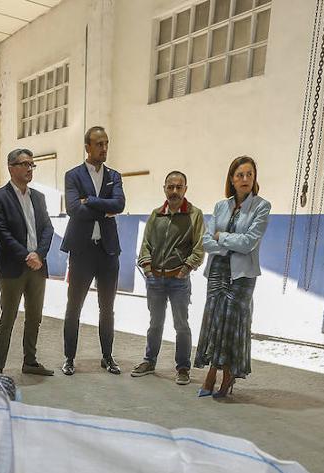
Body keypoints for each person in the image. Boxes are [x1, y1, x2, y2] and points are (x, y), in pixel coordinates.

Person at [195, 156, 271, 399]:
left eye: (249, 174)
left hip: (242, 275)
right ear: (231, 178)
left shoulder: (261, 206)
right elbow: (206, 241)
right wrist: (224, 241)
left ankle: (227, 375)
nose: (245, 179)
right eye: (240, 175)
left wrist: (221, 238)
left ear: (254, 178)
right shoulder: (221, 206)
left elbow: (249, 243)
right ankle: (211, 372)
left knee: (231, 325)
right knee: (215, 321)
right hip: (217, 270)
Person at [61, 126, 126, 376]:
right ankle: (69, 357)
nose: (104, 148)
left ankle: (108, 357)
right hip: (82, 251)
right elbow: (73, 209)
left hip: (108, 251)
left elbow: (119, 204)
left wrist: (91, 201)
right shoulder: (73, 175)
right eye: (99, 144)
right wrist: (104, 208)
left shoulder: (114, 176)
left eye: (106, 143)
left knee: (107, 307)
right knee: (74, 306)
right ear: (87, 147)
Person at [130, 171, 204, 385]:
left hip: (179, 281)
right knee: (155, 323)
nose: (174, 191)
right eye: (170, 187)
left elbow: (199, 247)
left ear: (185, 189)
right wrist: (147, 268)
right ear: (164, 188)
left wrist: (185, 270)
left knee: (181, 325)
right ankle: (149, 361)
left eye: (178, 187)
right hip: (155, 281)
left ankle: (182, 368)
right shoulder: (156, 215)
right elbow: (146, 244)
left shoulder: (194, 215)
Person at [0, 149, 56, 377]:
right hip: (13, 269)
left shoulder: (39, 197)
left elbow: (48, 228)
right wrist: (27, 255)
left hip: (37, 267)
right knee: (8, 317)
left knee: (34, 316)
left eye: (32, 165)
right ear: (11, 167)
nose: (29, 168)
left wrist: (40, 254)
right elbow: (1, 234)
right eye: (24, 164)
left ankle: (30, 361)